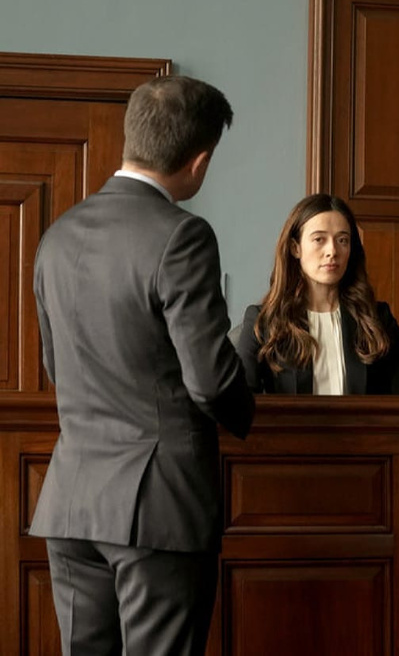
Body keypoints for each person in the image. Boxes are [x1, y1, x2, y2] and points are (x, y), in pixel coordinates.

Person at [31, 75, 254, 655]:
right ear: (200, 162)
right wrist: (248, 414)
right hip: (159, 510)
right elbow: (211, 381)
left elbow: (57, 366)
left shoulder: (57, 236)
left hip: (72, 504)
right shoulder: (182, 235)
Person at [236, 193, 399, 395]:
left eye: (342, 240)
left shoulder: (377, 319)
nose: (332, 251)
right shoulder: (264, 321)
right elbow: (238, 401)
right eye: (319, 239)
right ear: (295, 248)